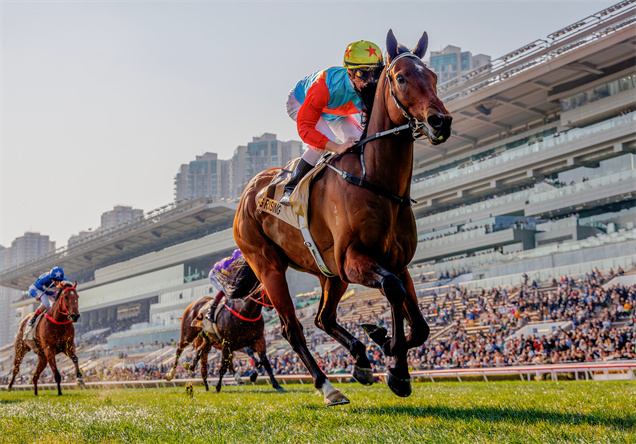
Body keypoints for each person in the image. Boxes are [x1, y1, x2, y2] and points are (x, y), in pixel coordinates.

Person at [279, 40, 384, 206]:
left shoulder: (370, 84)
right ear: (350, 73)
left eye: (376, 73)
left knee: (360, 139)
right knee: (324, 141)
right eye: (362, 74)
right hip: (300, 101)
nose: (370, 81)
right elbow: (305, 129)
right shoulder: (323, 86)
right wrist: (336, 148)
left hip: (335, 110)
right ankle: (290, 188)